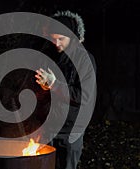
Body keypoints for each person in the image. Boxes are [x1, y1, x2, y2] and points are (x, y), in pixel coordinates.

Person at [35, 10, 97, 169]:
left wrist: (55, 85)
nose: (56, 43)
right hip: (48, 128)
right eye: (53, 39)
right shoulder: (49, 54)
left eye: (61, 39)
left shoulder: (84, 60)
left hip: (71, 130)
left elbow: (84, 96)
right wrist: (42, 89)